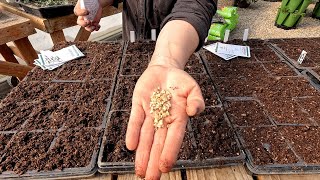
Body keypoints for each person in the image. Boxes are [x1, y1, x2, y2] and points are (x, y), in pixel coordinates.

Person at [74, 0, 217, 179]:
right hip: (133, 42)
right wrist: (96, 2)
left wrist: (165, 60)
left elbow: (195, 5)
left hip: (177, 45)